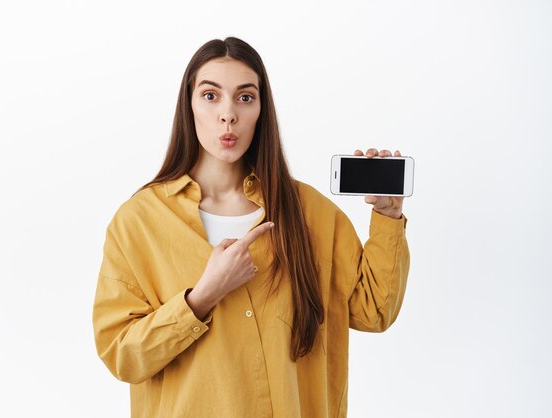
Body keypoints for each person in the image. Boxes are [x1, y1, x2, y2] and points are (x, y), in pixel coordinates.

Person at [92, 36, 410, 418]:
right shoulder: (139, 221)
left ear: (261, 109)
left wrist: (388, 217)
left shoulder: (309, 212)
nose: (228, 115)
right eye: (211, 96)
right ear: (189, 105)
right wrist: (201, 298)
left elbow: (373, 310)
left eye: (245, 97)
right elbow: (122, 355)